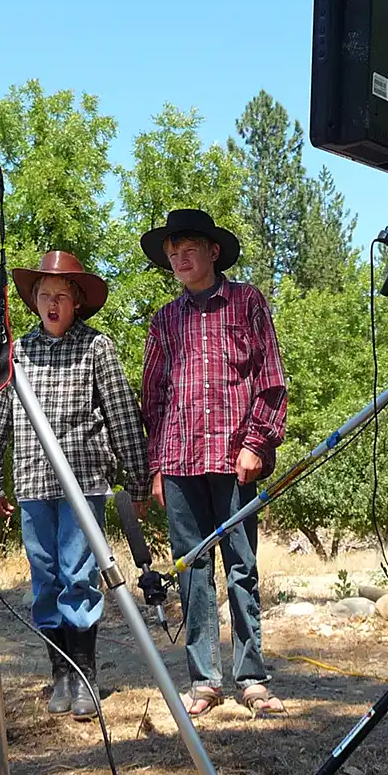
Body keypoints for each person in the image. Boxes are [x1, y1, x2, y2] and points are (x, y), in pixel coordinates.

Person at [0, 251, 152, 722]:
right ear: (33, 301)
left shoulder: (97, 348)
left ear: (77, 301)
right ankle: (58, 674)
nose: (52, 303)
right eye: (43, 295)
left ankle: (84, 677)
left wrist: (137, 483)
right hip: (34, 483)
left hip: (84, 481)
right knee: (44, 579)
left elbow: (121, 417)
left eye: (61, 295)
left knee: (78, 576)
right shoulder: (18, 352)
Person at [140, 209, 289, 717]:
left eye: (189, 250)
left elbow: (269, 376)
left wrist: (256, 442)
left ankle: (252, 678)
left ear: (213, 253)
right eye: (172, 253)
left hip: (234, 458)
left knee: (242, 566)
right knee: (192, 570)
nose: (180, 260)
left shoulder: (247, 302)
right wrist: (158, 466)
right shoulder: (164, 320)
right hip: (179, 462)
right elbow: (154, 399)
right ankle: (205, 680)